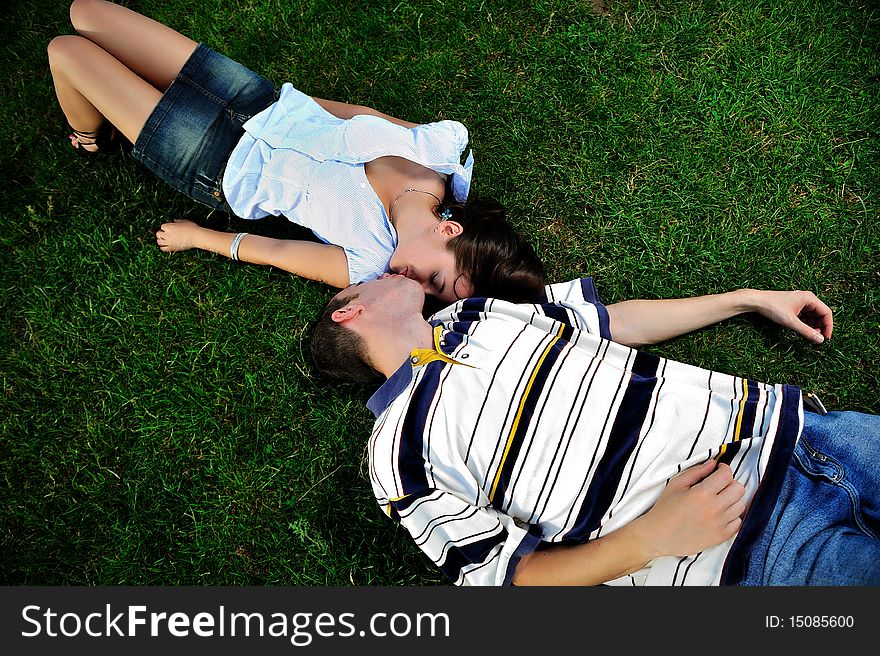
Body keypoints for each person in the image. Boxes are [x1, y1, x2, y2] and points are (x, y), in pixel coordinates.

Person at [310, 273, 880, 586]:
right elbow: (508, 579)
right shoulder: (395, 455)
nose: (389, 271)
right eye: (369, 279)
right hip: (750, 550)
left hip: (805, 436)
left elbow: (617, 323)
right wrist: (650, 540)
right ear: (347, 308)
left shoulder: (473, 314)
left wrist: (748, 299)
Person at [47, 0, 546, 304]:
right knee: (85, 13)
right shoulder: (438, 152)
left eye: (432, 295)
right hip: (252, 97)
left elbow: (278, 252)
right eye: (436, 278)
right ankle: (105, 111)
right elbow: (355, 112)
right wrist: (295, 102)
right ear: (449, 230)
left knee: (65, 51)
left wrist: (199, 237)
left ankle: (91, 136)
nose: (420, 288)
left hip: (216, 160)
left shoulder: (368, 260)